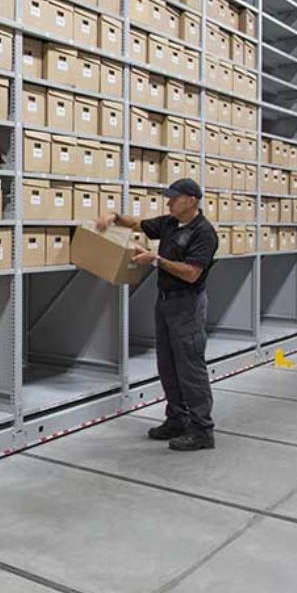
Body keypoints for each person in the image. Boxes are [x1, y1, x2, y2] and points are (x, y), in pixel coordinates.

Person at [97, 178, 219, 451]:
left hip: (188, 305)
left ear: (191, 200)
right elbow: (139, 224)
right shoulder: (170, 223)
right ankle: (177, 419)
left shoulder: (204, 233)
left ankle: (202, 430)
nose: (169, 202)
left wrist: (156, 259)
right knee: (167, 364)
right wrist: (114, 217)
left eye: (174, 198)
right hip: (165, 302)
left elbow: (192, 273)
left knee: (190, 367)